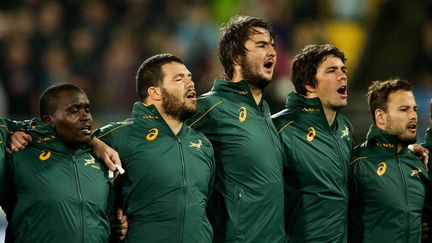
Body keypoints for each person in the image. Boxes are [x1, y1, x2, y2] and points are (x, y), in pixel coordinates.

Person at [96, 53, 215, 243]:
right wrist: (106, 218)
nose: (190, 83)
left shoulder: (203, 144)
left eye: (190, 77)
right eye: (179, 78)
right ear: (155, 93)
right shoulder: (118, 136)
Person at [187, 15, 285, 242]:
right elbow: (153, 132)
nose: (272, 52)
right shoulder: (209, 107)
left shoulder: (265, 111)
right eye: (261, 45)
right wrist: (97, 143)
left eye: (273, 45)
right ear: (236, 57)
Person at [0, 83, 114, 242]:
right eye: (74, 111)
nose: (85, 116)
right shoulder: (20, 155)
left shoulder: (101, 160)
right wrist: (17, 130)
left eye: (87, 109)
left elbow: (110, 218)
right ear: (48, 121)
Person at [272, 44, 353, 242]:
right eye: (332, 71)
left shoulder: (345, 127)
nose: (342, 76)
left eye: (343, 70)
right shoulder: (280, 127)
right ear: (310, 84)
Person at [349, 79, 429, 243]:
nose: (413, 116)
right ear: (380, 116)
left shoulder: (418, 163)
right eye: (404, 109)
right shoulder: (358, 163)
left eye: (414, 109)